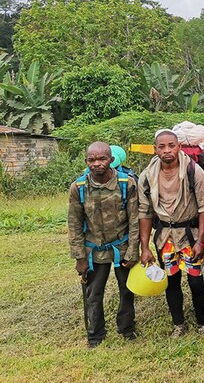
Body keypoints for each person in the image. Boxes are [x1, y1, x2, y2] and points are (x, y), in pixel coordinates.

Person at [139, 130, 204, 338]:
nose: (167, 150)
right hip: (165, 237)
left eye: (171, 145)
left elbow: (203, 208)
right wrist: (144, 248)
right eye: (162, 147)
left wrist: (201, 241)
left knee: (196, 281)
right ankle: (178, 324)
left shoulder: (193, 170)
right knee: (172, 280)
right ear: (155, 150)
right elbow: (144, 213)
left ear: (179, 147)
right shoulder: (147, 176)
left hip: (190, 235)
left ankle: (202, 324)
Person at [68, 142, 139, 348]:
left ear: (111, 160)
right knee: (94, 292)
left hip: (122, 247)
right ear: (86, 162)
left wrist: (133, 251)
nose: (97, 164)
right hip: (93, 250)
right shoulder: (78, 188)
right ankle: (95, 334)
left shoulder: (127, 184)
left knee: (126, 289)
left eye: (102, 159)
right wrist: (80, 257)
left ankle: (127, 328)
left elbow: (135, 220)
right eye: (92, 160)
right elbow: (73, 223)